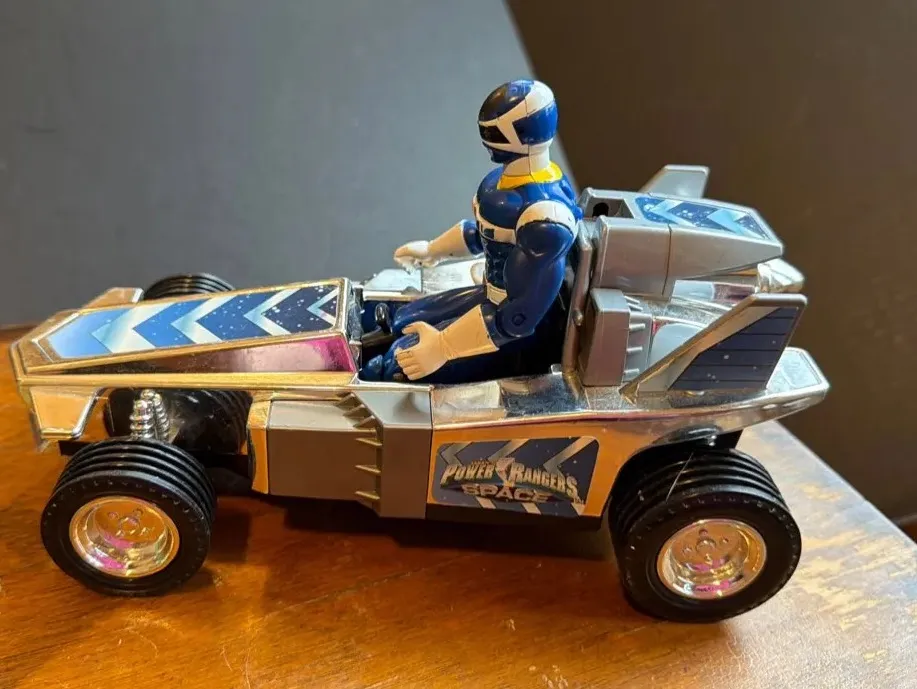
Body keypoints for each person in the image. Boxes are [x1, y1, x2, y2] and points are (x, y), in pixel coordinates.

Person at [362, 79, 582, 383]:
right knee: (399, 320)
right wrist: (432, 250)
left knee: (396, 366)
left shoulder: (545, 220)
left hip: (515, 333)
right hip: (490, 297)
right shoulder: (502, 186)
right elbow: (482, 236)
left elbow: (519, 317)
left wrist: (442, 347)